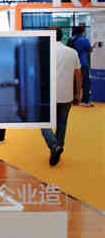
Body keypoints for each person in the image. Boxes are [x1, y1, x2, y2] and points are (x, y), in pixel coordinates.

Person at [43, 27, 82, 167]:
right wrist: (78, 93)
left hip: (48, 95)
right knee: (62, 124)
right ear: (61, 36)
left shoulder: (44, 51)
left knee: (43, 123)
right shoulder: (72, 52)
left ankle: (54, 147)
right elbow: (78, 74)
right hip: (66, 95)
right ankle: (57, 149)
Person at [69, 25, 94, 107]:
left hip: (73, 64)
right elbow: (89, 50)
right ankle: (85, 101)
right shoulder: (84, 39)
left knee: (73, 82)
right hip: (82, 64)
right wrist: (93, 47)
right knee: (86, 82)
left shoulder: (71, 39)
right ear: (82, 32)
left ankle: (73, 100)